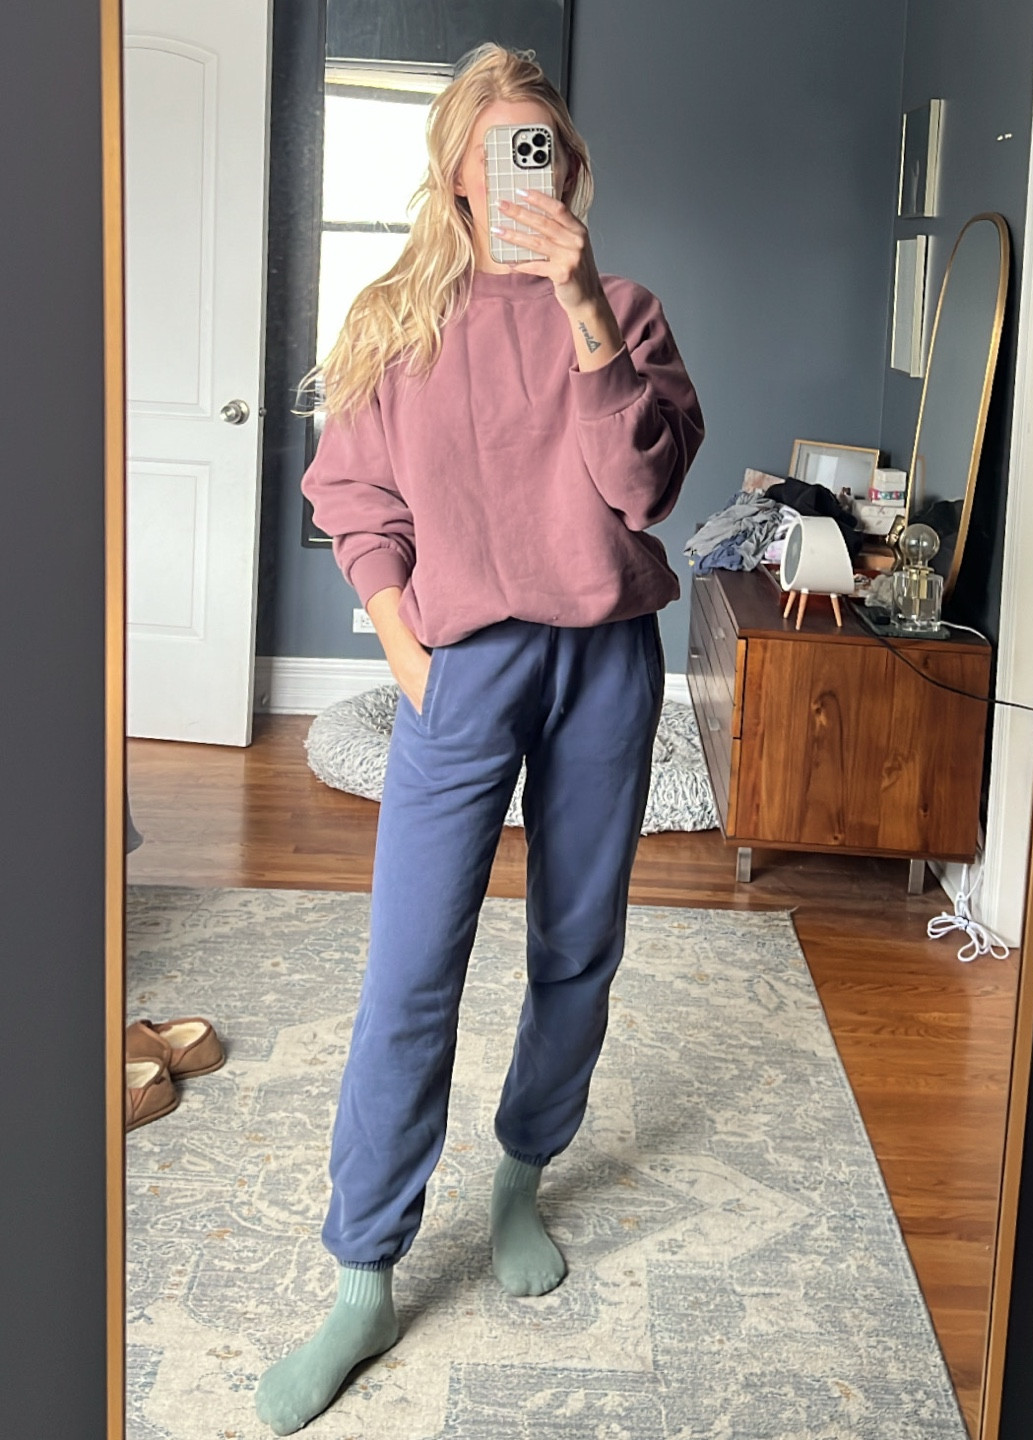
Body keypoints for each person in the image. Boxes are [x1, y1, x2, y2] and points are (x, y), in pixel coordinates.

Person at [254, 42, 704, 1436]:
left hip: (606, 661)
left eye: (543, 147)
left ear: (568, 167)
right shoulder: (393, 318)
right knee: (410, 966)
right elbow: (353, 495)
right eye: (500, 147)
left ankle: (520, 1176)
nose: (525, 169)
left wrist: (579, 302)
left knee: (576, 942)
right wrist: (404, 647)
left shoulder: (624, 309)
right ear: (455, 170)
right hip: (465, 664)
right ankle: (363, 1275)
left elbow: (643, 488)